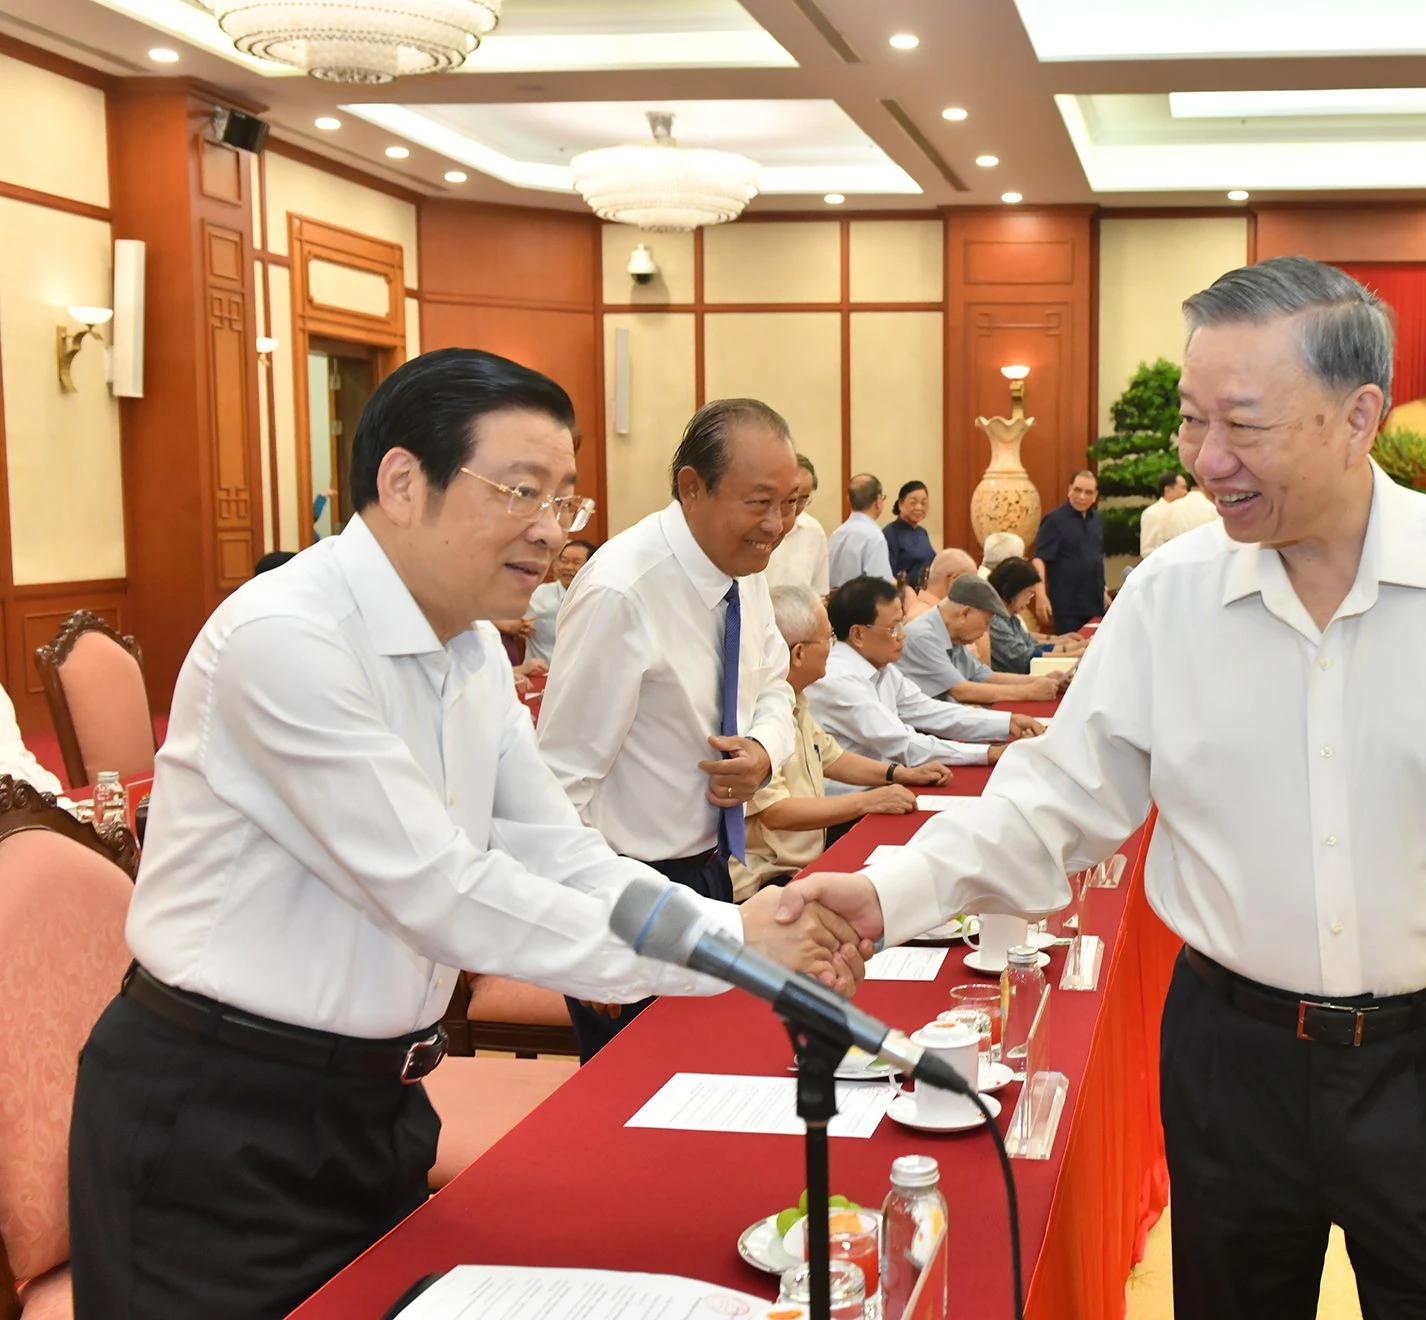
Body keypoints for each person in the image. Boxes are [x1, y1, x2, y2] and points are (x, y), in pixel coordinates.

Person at [778, 256, 1426, 1319]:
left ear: (1359, 416)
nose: (1206, 461)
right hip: (1231, 1061)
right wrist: (893, 893)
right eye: (1191, 421)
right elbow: (1057, 800)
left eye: (1244, 425)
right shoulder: (1172, 596)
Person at [68, 349, 862, 1320]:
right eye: (521, 491)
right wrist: (733, 949)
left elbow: (554, 848)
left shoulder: (474, 646)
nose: (551, 532)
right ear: (404, 483)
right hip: (221, 1117)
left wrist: (724, 931)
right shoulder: (286, 640)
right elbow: (443, 892)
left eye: (567, 500)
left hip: (378, 1103)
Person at [536, 398, 806, 1061]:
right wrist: (591, 934)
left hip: (711, 873)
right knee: (638, 1110)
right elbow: (557, 784)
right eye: (759, 502)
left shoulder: (741, 568)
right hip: (625, 890)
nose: (776, 525)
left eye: (789, 503)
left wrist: (765, 753)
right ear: (692, 487)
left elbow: (774, 680)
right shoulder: (621, 592)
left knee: (714, 1086)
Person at [731, 587, 955, 900]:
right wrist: (869, 801)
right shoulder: (754, 711)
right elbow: (775, 811)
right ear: (798, 654)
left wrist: (897, 774)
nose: (832, 649)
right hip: (767, 879)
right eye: (829, 639)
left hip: (807, 859)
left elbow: (831, 757)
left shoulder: (794, 695)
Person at [807, 575, 1043, 780]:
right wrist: (987, 753)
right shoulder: (838, 678)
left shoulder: (882, 669)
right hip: (850, 806)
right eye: (893, 628)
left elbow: (931, 711)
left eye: (901, 623)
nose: (902, 635)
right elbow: (901, 742)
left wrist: (1007, 722)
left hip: (885, 787)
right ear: (858, 634)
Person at [898, 574, 1066, 704]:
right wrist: (1029, 692)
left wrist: (1044, 679)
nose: (987, 630)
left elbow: (984, 675)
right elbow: (962, 691)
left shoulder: (951, 632)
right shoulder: (922, 635)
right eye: (987, 621)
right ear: (965, 613)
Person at [1033, 469, 1108, 632]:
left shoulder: (1097, 520)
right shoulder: (1054, 520)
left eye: (1088, 492)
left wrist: (1103, 591)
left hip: (1095, 603)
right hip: (1068, 606)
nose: (1082, 496)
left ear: (1095, 495)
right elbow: (1039, 558)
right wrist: (1040, 594)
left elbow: (1095, 558)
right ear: (1069, 490)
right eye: (1078, 490)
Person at [985, 557, 1086, 675]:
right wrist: (1074, 654)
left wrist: (1074, 648)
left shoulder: (1010, 618)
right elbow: (1023, 660)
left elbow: (1032, 646)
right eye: (1029, 593)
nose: (1029, 600)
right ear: (1012, 590)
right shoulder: (995, 620)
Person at [522, 537, 594, 668]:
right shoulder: (538, 594)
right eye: (564, 561)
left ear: (591, 566)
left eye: (576, 562)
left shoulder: (597, 597)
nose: (568, 567)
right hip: (542, 674)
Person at [766, 452, 830, 597]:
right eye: (791, 499)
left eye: (803, 499)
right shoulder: (757, 528)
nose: (795, 507)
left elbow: (820, 593)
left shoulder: (814, 531)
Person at [828, 472, 891, 588]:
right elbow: (881, 588)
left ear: (848, 500)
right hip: (862, 605)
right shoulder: (874, 537)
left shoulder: (836, 534)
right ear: (878, 501)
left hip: (833, 604)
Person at [1139, 470, 1219, 556]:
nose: (1186, 492)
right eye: (1183, 487)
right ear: (1168, 490)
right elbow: (1147, 550)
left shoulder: (1184, 508)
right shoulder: (1152, 513)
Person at [883, 479, 936, 590]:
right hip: (903, 596)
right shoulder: (890, 534)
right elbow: (887, 576)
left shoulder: (922, 532)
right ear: (901, 504)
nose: (919, 507)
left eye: (924, 503)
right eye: (913, 502)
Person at [905, 547, 976, 621]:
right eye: (971, 586)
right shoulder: (928, 619)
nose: (973, 595)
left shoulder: (929, 615)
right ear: (953, 581)